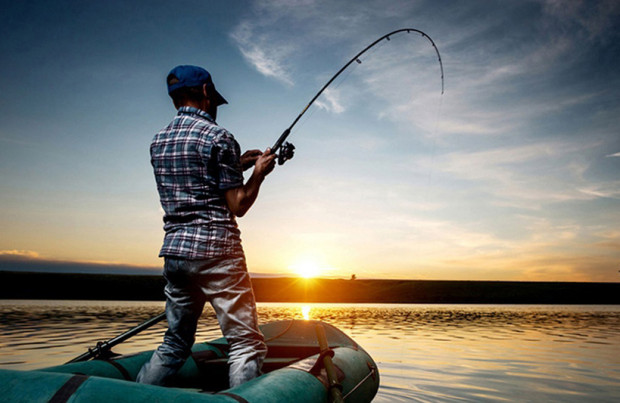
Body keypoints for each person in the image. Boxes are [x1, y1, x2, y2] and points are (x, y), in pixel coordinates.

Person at [137, 65, 275, 388]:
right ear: (204, 93)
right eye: (212, 97)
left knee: (174, 345)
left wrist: (235, 163)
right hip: (217, 253)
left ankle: (133, 396)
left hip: (175, 255)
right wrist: (258, 173)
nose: (214, 105)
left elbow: (192, 178)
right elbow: (238, 204)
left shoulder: (158, 143)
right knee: (245, 343)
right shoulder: (219, 137)